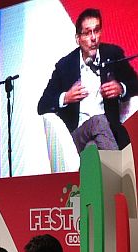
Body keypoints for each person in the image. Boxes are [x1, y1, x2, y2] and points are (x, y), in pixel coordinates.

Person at [37, 8, 137, 153]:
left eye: (96, 30)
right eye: (87, 33)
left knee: (94, 145)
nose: (93, 38)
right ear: (78, 39)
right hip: (77, 135)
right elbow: (42, 105)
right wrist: (65, 97)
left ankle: (113, 166)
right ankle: (118, 168)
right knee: (98, 121)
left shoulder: (112, 54)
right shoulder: (65, 66)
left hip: (108, 133)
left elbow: (135, 83)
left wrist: (121, 88)